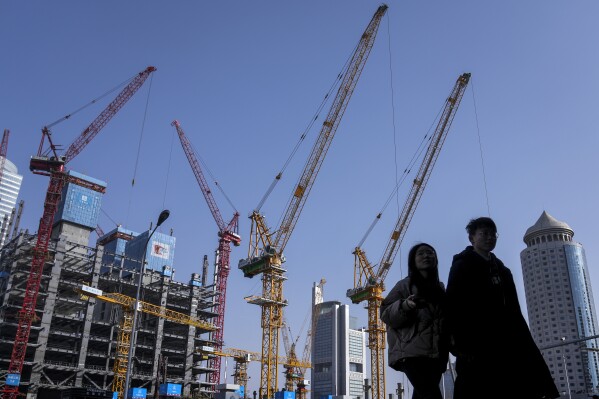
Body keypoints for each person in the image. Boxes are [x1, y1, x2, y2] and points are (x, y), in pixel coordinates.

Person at [446, 217, 559, 399]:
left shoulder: (503, 270)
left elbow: (514, 310)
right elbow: (453, 305)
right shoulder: (462, 266)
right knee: (476, 386)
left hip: (507, 341)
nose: (490, 237)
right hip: (475, 340)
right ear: (472, 238)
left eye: (493, 234)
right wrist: (457, 342)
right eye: (484, 233)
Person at [381, 243, 448, 399]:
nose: (426, 256)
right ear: (413, 261)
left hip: (436, 354)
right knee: (431, 395)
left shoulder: (440, 288)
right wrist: (406, 305)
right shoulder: (404, 285)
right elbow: (385, 314)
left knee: (422, 395)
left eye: (430, 253)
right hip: (411, 353)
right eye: (421, 253)